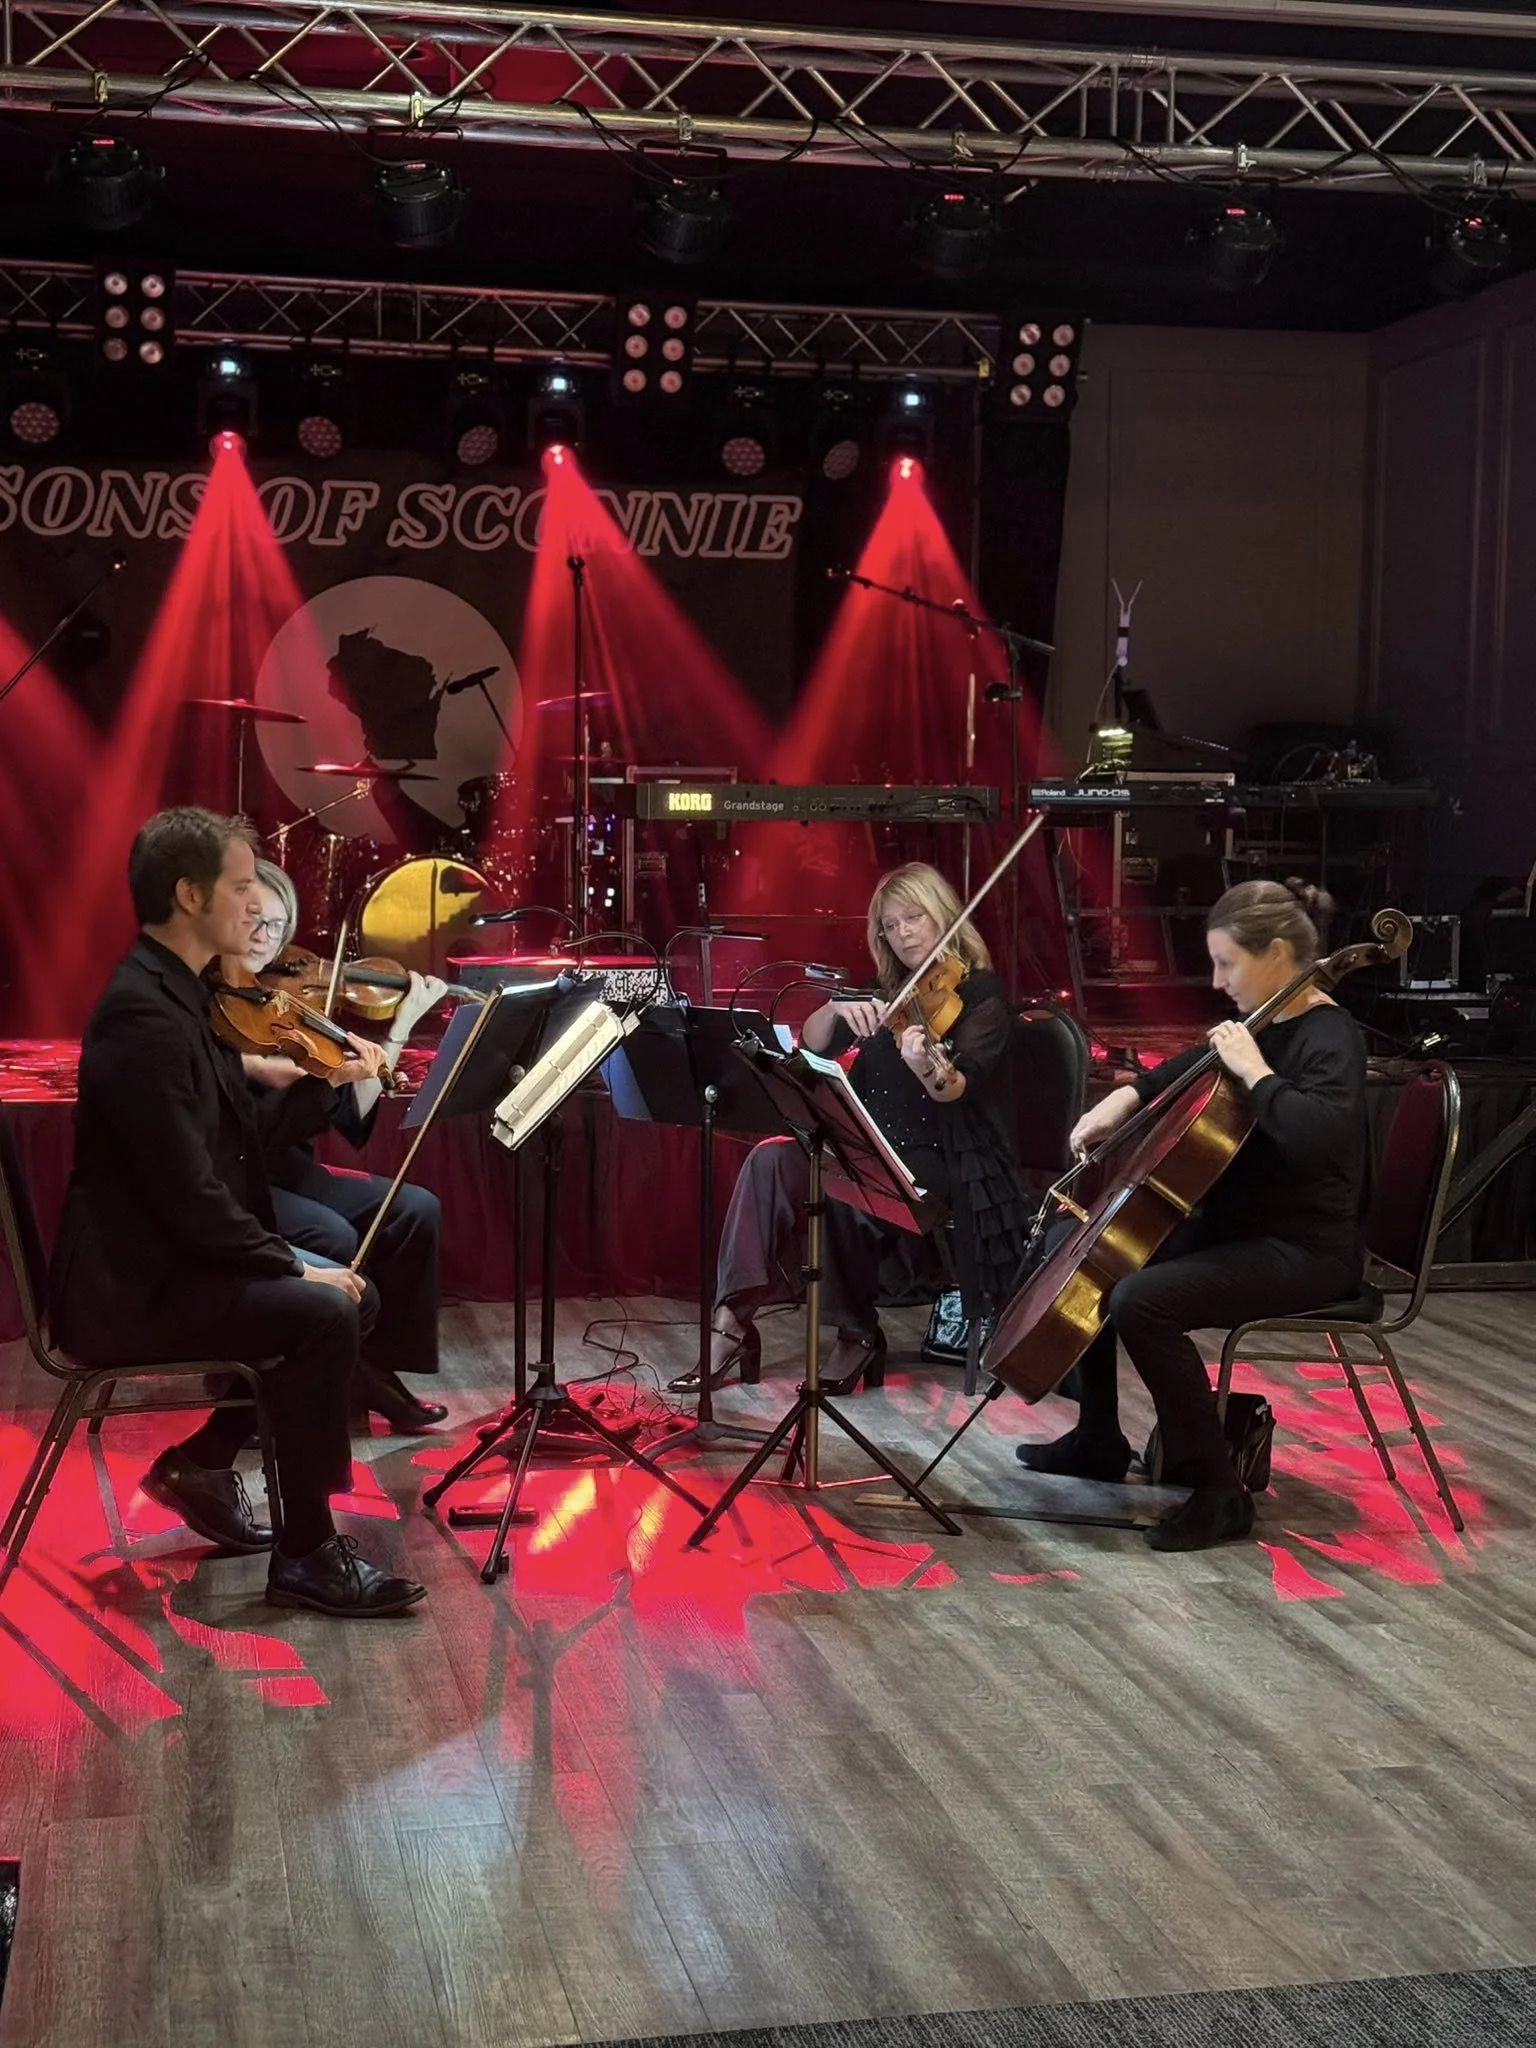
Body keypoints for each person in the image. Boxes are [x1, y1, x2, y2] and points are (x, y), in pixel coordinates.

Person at [48, 806, 426, 1618]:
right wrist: (295, 1264)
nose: (261, 906)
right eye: (244, 885)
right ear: (189, 894)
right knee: (321, 1315)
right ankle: (307, 1553)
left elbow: (238, 1146)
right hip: (130, 1291)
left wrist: (316, 1080)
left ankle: (211, 1468)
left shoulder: (183, 994)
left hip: (165, 1263)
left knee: (349, 1297)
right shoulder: (145, 1017)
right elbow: (188, 1195)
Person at [1016, 878, 1368, 1554]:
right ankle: (1098, 1437)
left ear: (1276, 953)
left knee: (1142, 1299)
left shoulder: (1330, 1034)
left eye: (1227, 963)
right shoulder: (1265, 1021)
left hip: (1306, 1250)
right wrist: (1124, 1099)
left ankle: (1217, 1490)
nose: (1216, 979)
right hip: (1241, 1233)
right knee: (1097, 1247)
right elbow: (1188, 1064)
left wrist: (1257, 1074)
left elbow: (1320, 1134)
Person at [698, 862, 1030, 1394]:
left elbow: (954, 1089)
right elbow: (812, 1043)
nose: (902, 934)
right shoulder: (886, 989)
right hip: (873, 1140)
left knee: (850, 1178)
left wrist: (925, 1064)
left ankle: (857, 1331)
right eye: (889, 926)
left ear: (942, 914)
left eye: (913, 918)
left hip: (945, 1155)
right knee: (770, 1160)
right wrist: (836, 1007)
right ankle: (731, 1323)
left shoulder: (982, 996)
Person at [241, 858, 449, 1433]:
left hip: (286, 1166)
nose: (268, 939)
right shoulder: (217, 1004)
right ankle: (291, 1377)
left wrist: (397, 1031)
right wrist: (314, 1076)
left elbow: (352, 1125)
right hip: (240, 1175)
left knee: (415, 1209)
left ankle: (376, 1368)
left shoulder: (283, 1008)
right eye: (253, 918)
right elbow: (256, 1128)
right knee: (335, 1235)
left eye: (280, 927)